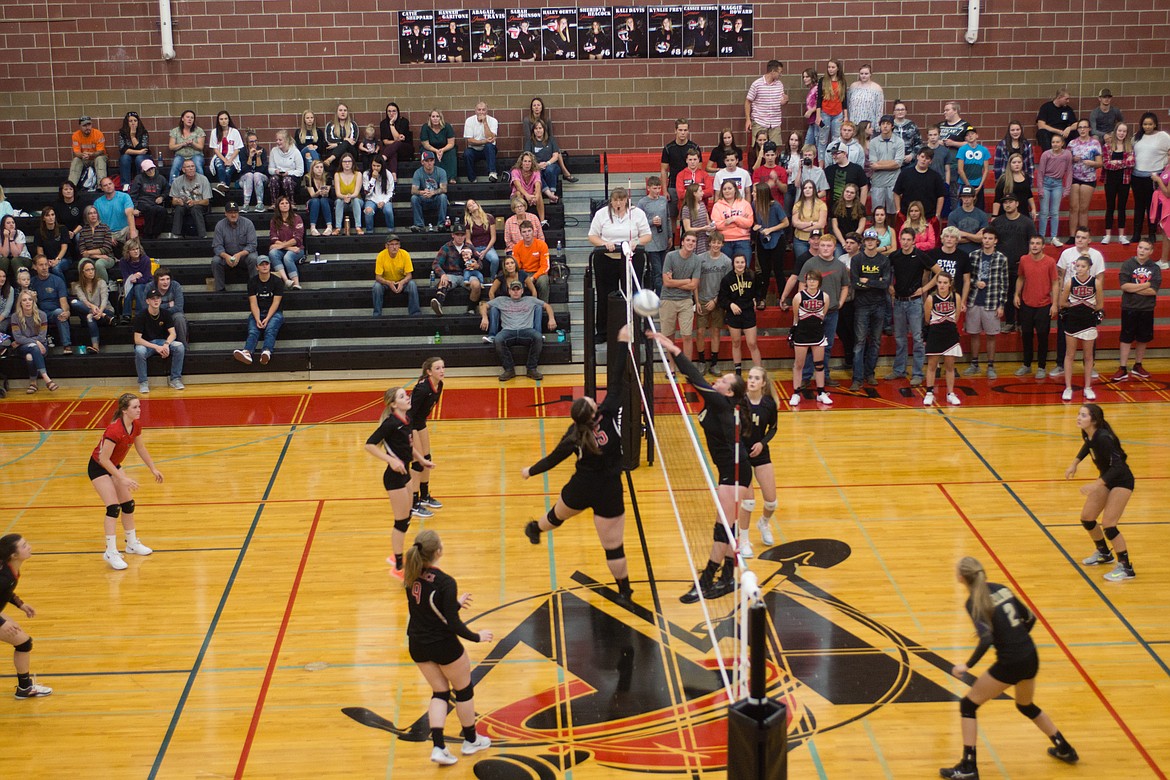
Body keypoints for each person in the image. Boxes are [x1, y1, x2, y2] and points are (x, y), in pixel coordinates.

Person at [939, 556, 1078, 780]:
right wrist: (1017, 640)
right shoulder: (1001, 588)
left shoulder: (974, 602)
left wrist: (966, 665)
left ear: (962, 578)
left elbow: (985, 640)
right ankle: (1064, 748)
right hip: (1030, 656)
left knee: (968, 705)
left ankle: (968, 767)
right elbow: (1030, 618)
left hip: (1011, 662)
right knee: (1025, 705)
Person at [521, 327, 634, 601]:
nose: (593, 399)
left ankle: (534, 528)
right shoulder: (608, 413)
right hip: (609, 490)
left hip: (581, 487)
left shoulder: (574, 435)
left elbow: (552, 460)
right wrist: (622, 343)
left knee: (555, 517)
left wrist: (530, 471)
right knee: (614, 548)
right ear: (594, 411)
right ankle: (625, 591)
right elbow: (618, 379)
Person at [647, 330, 752, 604]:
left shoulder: (721, 403)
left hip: (735, 474)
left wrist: (672, 347)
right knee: (726, 527)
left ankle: (706, 581)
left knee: (723, 529)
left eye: (724, 380)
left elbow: (694, 377)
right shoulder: (723, 404)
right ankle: (728, 578)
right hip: (732, 471)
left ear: (729, 391)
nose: (718, 380)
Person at [400, 529, 493, 766]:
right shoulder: (445, 582)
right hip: (443, 645)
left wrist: (453, 604)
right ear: (438, 551)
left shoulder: (411, 575)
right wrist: (476, 636)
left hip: (417, 644)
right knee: (463, 691)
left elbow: (428, 610)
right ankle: (471, 741)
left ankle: (439, 747)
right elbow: (452, 623)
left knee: (440, 692)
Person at [89, 393, 164, 570]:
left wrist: (153, 468)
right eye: (135, 407)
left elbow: (141, 447)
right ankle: (110, 551)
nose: (139, 410)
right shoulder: (114, 431)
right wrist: (122, 477)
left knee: (128, 504)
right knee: (113, 507)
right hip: (99, 467)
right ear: (124, 410)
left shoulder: (135, 425)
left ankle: (131, 543)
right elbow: (103, 459)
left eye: (139, 406)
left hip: (113, 465)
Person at [365, 386, 434, 576]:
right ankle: (398, 564)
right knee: (401, 521)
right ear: (394, 404)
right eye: (403, 396)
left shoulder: (408, 419)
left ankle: (397, 558)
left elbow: (409, 445)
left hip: (405, 475)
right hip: (393, 478)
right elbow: (369, 445)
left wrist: (421, 460)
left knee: (407, 517)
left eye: (407, 395)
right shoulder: (390, 424)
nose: (408, 397)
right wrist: (391, 460)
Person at [1066, 404, 1136, 581]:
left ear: (1094, 420)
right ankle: (1104, 553)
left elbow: (1119, 467)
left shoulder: (1104, 438)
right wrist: (1075, 463)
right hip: (1107, 479)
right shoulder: (1089, 433)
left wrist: (1097, 484)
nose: (1079, 417)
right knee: (1087, 518)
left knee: (1109, 525)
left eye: (1083, 415)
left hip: (1122, 481)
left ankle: (1126, 567)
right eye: (1079, 414)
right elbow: (1087, 446)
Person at [587, 188, 651, 341]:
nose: (618, 203)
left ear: (626, 201)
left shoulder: (637, 213)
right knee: (604, 296)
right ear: (611, 201)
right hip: (606, 258)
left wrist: (636, 242)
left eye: (621, 200)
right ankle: (603, 332)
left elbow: (647, 235)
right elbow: (592, 236)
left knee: (634, 294)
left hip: (631, 258)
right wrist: (604, 243)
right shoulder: (602, 213)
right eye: (615, 200)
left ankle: (635, 330)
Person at [0, 534, 53, 698]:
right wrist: (1, 622)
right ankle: (24, 688)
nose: (29, 546)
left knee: (23, 641)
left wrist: (20, 604)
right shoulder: (3, 577)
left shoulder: (10, 569)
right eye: (24, 546)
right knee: (23, 642)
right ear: (13, 555)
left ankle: (25, 688)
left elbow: (5, 592)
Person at [740, 366, 783, 559]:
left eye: (756, 378)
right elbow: (731, 430)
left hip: (761, 452)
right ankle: (744, 540)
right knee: (748, 501)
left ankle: (764, 523)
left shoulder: (769, 404)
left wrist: (761, 443)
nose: (752, 381)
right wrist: (742, 449)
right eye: (750, 377)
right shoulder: (739, 403)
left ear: (763, 383)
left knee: (772, 502)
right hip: (742, 454)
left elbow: (773, 429)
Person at [887, 227, 938, 385]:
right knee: (900, 339)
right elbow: (885, 273)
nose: (906, 242)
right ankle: (899, 370)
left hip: (914, 303)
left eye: (909, 239)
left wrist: (924, 288)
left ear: (914, 241)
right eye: (903, 239)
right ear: (900, 240)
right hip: (899, 302)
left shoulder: (920, 256)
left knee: (917, 338)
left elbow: (939, 273)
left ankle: (917, 373)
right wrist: (889, 285)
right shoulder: (894, 256)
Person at [961, 229, 1009, 380]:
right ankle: (974, 364)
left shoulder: (1002, 259)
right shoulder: (973, 256)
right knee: (973, 334)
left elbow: (1004, 284)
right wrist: (976, 283)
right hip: (974, 300)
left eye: (990, 238)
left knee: (991, 336)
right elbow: (967, 279)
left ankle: (990, 365)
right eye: (985, 238)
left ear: (995, 241)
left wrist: (1001, 304)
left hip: (992, 301)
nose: (987, 241)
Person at [486, 279, 555, 381]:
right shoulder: (501, 300)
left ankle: (531, 369)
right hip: (508, 330)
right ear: (509, 291)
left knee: (538, 337)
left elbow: (547, 306)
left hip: (526, 330)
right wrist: (484, 317)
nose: (515, 291)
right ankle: (509, 369)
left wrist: (551, 318)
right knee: (498, 340)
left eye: (518, 289)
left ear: (522, 291)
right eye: (513, 289)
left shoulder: (530, 299)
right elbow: (484, 306)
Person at [848, 229, 891, 390]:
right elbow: (854, 283)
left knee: (875, 341)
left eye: (873, 240)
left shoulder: (884, 260)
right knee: (859, 342)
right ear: (864, 242)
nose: (870, 242)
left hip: (879, 305)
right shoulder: (857, 259)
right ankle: (857, 378)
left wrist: (867, 281)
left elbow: (885, 284)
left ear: (877, 242)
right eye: (867, 240)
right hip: (862, 306)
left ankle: (870, 373)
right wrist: (875, 281)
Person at [1013, 235, 1059, 380]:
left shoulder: (1050, 262)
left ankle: (1041, 366)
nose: (1034, 246)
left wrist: (1055, 304)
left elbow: (1055, 283)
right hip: (1026, 304)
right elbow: (1020, 277)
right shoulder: (1024, 259)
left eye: (1037, 243)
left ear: (1043, 246)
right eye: (1032, 243)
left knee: (1042, 337)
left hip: (1044, 305)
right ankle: (1026, 365)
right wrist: (1016, 294)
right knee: (1026, 335)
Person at [1114, 240, 1161, 381]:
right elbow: (1124, 286)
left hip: (1146, 308)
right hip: (1129, 307)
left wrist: (1135, 289)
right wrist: (1145, 285)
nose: (1142, 251)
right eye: (1140, 247)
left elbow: (1153, 291)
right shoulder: (1128, 264)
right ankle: (1122, 368)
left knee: (1143, 338)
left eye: (1146, 249)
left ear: (1151, 251)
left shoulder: (1155, 268)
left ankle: (1138, 365)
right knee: (1126, 338)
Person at [1058, 256, 1103, 402]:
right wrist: (1076, 305)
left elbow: (1100, 305)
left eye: (1083, 266)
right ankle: (1068, 387)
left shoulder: (1096, 282)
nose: (1080, 269)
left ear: (1089, 267)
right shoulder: (1070, 281)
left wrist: (1087, 307)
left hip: (1088, 321)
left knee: (1088, 356)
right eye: (1077, 266)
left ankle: (1088, 387)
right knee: (1069, 355)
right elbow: (1062, 302)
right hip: (1072, 320)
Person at [788, 268, 834, 406]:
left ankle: (821, 392)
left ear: (819, 281)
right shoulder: (799, 297)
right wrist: (793, 333)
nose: (811, 282)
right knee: (799, 364)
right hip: (802, 334)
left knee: (819, 364)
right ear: (806, 281)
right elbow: (796, 317)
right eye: (809, 279)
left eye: (814, 279)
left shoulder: (824, 297)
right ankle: (796, 393)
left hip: (818, 334)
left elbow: (823, 315)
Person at [408, 358, 445, 519]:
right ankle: (413, 503)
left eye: (443, 367)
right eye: (437, 368)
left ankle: (424, 496)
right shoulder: (422, 389)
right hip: (411, 424)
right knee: (418, 463)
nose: (442, 371)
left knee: (427, 458)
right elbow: (410, 413)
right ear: (429, 372)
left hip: (420, 422)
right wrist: (408, 434)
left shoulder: (440, 385)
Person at [232, 256, 284, 366]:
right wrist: (257, 318)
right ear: (257, 267)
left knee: (270, 329)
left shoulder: (277, 281)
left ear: (270, 265)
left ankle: (267, 351)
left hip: (274, 313)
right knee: (253, 331)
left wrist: (267, 318)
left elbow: (276, 303)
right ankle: (247, 352)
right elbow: (253, 303)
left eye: (266, 264)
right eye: (262, 264)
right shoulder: (252, 282)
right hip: (258, 312)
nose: (264, 266)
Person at [133, 287, 186, 393]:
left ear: (161, 300)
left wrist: (166, 344)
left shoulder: (165, 313)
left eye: (158, 298)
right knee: (139, 351)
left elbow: (173, 333)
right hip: (147, 344)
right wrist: (156, 347)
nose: (156, 300)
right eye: (153, 298)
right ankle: (143, 382)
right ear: (147, 301)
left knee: (179, 346)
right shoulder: (141, 316)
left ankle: (175, 379)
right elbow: (137, 339)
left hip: (162, 342)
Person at [922, 271, 962, 406]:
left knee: (950, 366)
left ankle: (950, 393)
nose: (942, 285)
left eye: (945, 283)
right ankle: (929, 393)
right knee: (932, 366)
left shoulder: (955, 297)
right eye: (939, 283)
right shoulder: (930, 299)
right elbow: (927, 319)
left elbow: (956, 318)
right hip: (935, 334)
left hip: (950, 334)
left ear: (950, 284)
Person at [1131, 112, 1170, 248]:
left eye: (1150, 124)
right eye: (1145, 124)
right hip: (1137, 176)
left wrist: (1165, 164)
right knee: (1139, 206)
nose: (1147, 126)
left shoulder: (1163, 136)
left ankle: (1151, 234)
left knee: (1151, 206)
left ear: (1155, 124)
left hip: (1153, 177)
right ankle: (1136, 233)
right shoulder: (1136, 137)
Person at [695, 232, 731, 374]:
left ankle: (714, 363)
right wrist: (697, 301)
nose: (716, 245)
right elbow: (695, 281)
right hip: (702, 299)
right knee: (700, 332)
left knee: (716, 331)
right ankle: (701, 361)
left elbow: (726, 286)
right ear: (709, 243)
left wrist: (715, 301)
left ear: (722, 244)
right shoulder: (699, 259)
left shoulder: (726, 261)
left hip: (718, 300)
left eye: (719, 243)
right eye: (713, 242)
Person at [718, 253, 761, 373]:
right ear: (733, 264)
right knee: (736, 342)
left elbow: (758, 290)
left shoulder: (752, 275)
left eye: (742, 262)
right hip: (733, 313)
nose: (740, 265)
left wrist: (757, 300)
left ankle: (759, 370)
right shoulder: (727, 279)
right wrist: (730, 305)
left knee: (752, 343)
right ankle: (738, 371)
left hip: (748, 312)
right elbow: (722, 298)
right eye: (737, 262)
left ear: (745, 263)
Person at [11, 291, 59, 393]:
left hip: (41, 346)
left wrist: (27, 340)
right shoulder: (15, 317)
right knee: (33, 346)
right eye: (24, 300)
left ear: (33, 302)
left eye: (30, 300)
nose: (27, 302)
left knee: (30, 356)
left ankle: (33, 382)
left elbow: (42, 337)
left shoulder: (42, 315)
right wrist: (35, 342)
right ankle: (47, 379)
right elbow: (18, 337)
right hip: (24, 347)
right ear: (20, 303)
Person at [752, 180, 789, 308]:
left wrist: (771, 229)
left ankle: (782, 299)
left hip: (777, 239)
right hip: (763, 240)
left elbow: (786, 223)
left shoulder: (776, 206)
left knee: (778, 271)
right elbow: (755, 221)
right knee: (764, 271)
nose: (752, 193)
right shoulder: (754, 204)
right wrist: (756, 226)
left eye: (755, 192)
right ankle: (762, 298)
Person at [430, 232, 485, 316]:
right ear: (453, 235)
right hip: (451, 274)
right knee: (444, 282)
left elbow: (479, 261)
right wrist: (442, 274)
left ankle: (471, 309)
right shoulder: (446, 247)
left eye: (462, 235)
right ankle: (439, 303)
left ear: (465, 236)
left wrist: (477, 265)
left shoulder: (469, 247)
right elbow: (436, 263)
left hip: (468, 273)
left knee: (476, 285)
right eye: (457, 235)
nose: (460, 237)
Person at [524, 97, 578, 182]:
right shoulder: (527, 120)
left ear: (542, 107)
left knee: (556, 150)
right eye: (534, 105)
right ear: (531, 108)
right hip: (534, 143)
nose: (536, 107)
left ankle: (564, 171)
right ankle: (565, 173)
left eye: (538, 105)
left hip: (546, 142)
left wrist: (548, 145)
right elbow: (528, 137)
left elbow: (551, 135)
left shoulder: (547, 119)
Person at [1067, 120, 1103, 241]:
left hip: (1088, 178)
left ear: (1089, 129)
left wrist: (1092, 163)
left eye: (1084, 127)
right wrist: (1072, 159)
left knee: (1083, 208)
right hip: (1074, 177)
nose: (1082, 130)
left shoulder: (1095, 143)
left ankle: (1083, 236)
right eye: (1080, 127)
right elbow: (1066, 160)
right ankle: (1072, 236)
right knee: (1073, 207)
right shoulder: (1072, 143)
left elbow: (1099, 163)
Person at [636, 176, 671, 297]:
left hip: (663, 239)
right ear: (648, 188)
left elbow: (667, 218)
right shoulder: (642, 203)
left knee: (665, 271)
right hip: (651, 242)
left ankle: (664, 296)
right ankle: (660, 297)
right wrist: (651, 222)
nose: (657, 190)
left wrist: (670, 236)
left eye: (659, 188)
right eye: (655, 188)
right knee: (657, 272)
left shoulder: (663, 200)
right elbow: (638, 222)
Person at [211, 201, 258, 291]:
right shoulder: (220, 225)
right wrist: (226, 256)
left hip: (244, 256)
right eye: (230, 213)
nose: (233, 215)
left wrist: (239, 255)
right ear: (225, 213)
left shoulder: (248, 223)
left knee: (254, 258)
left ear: (238, 212)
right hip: (227, 256)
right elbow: (217, 246)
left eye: (235, 212)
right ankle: (220, 289)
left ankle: (254, 288)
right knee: (216, 261)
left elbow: (252, 245)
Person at [1036, 133, 1073, 246]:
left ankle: (1053, 237)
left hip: (1057, 184)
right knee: (1044, 212)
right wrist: (1040, 188)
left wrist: (1067, 188)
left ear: (1062, 143)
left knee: (1055, 212)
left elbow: (1069, 171)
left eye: (1057, 142)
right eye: (1053, 142)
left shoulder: (1067, 154)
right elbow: (1041, 172)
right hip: (1046, 183)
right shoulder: (1046, 154)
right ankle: (1041, 237)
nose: (1055, 144)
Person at [30, 254, 71, 353]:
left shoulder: (57, 280)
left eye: (46, 264)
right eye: (41, 265)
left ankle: (67, 345)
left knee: (60, 312)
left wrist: (66, 312)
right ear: (35, 267)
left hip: (53, 312)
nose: (44, 267)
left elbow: (63, 301)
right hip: (38, 313)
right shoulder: (32, 282)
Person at [1100, 123, 1134, 244]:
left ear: (1126, 133)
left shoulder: (1129, 147)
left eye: (1124, 131)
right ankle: (1107, 234)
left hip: (1124, 181)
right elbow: (1106, 164)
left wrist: (1116, 162)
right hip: (1110, 181)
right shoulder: (1107, 146)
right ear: (1115, 131)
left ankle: (1121, 235)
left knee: (1122, 207)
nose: (1121, 133)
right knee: (1110, 207)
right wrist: (1124, 162)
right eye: (1120, 131)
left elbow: (1132, 163)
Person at [70, 259, 115, 352]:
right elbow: (83, 300)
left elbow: (104, 299)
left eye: (92, 269)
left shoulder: (101, 282)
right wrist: (92, 307)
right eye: (88, 270)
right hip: (97, 314)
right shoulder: (78, 286)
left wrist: (101, 312)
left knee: (90, 316)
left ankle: (95, 346)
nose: (91, 272)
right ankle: (98, 315)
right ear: (82, 272)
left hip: (106, 311)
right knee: (74, 302)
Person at [372, 234, 420, 316]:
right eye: (392, 244)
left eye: (396, 244)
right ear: (386, 246)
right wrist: (388, 283)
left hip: (402, 281)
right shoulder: (381, 255)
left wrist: (402, 282)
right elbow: (378, 277)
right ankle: (377, 314)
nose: (394, 247)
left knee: (412, 284)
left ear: (399, 246)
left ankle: (415, 314)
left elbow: (409, 275)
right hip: (386, 283)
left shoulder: (405, 254)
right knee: (377, 286)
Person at [894, 147, 947, 220]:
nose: (924, 160)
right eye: (922, 157)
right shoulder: (905, 173)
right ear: (917, 157)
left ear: (931, 161)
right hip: (907, 216)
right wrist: (898, 210)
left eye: (927, 158)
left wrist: (937, 214)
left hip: (928, 217)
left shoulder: (936, 176)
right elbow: (896, 192)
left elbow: (941, 196)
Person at [744, 60, 788, 145]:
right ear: (773, 71)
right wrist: (748, 120)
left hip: (775, 123)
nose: (781, 75)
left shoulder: (780, 84)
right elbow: (748, 102)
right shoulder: (757, 84)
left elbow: (781, 102)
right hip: (760, 121)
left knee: (775, 149)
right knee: (758, 148)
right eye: (779, 72)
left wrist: (785, 101)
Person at [869, 115, 906, 212]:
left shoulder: (899, 142)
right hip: (878, 182)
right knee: (877, 212)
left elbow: (898, 163)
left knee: (893, 212)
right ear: (880, 126)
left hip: (893, 182)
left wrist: (880, 164)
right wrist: (891, 163)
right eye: (883, 124)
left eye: (888, 124)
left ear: (892, 126)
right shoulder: (873, 142)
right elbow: (873, 165)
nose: (885, 126)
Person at [169, 158, 212, 238]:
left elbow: (206, 201)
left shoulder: (203, 179)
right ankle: (175, 235)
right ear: (183, 170)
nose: (191, 168)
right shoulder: (177, 181)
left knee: (195, 209)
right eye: (188, 167)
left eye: (193, 166)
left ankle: (203, 235)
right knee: (179, 208)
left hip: (199, 204)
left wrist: (195, 202)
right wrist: (178, 201)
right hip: (184, 204)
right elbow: (173, 201)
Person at [268, 196, 304, 289]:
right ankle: (286, 280)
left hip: (298, 249)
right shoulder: (274, 221)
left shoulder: (297, 218)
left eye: (287, 203)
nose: (285, 205)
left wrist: (282, 246)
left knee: (288, 257)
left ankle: (296, 283)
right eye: (282, 203)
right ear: (278, 206)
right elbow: (273, 238)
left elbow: (297, 238)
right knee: (272, 253)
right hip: (288, 248)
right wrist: (288, 247)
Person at [147, 266, 187, 345]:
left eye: (168, 279)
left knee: (179, 318)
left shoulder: (175, 286)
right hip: (155, 315)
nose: (166, 282)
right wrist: (168, 305)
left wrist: (158, 307)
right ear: (156, 281)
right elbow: (146, 307)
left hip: (172, 315)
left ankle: (183, 346)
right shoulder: (150, 286)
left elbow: (179, 307)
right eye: (162, 279)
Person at [511, 219, 550, 301]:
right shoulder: (517, 247)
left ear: (533, 232)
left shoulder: (542, 245)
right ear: (521, 233)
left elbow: (545, 266)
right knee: (515, 281)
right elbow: (516, 266)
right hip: (524, 272)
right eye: (524, 232)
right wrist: (524, 277)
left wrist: (534, 277)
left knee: (543, 281)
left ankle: (543, 305)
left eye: (529, 231)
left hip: (539, 272)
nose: (527, 234)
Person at [410, 151, 450, 231]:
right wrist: (421, 192)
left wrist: (433, 192)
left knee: (443, 197)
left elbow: (444, 189)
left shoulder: (441, 172)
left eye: (431, 160)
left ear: (434, 161)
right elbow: (413, 190)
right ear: (422, 162)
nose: (429, 163)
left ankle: (441, 225)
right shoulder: (418, 173)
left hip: (436, 198)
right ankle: (419, 225)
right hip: (424, 198)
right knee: (414, 198)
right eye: (427, 161)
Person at [128, 159, 168, 239]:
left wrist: (162, 197)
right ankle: (148, 233)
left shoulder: (161, 178)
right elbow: (133, 194)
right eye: (148, 170)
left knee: (162, 211)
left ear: (155, 167)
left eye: (152, 168)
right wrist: (135, 207)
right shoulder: (139, 178)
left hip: (155, 202)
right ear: (144, 171)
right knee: (151, 209)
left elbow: (167, 190)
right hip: (142, 202)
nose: (150, 171)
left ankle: (156, 233)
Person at [118, 238, 153, 324]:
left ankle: (139, 315)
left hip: (145, 283)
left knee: (138, 288)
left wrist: (135, 279)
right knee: (129, 288)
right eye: (133, 250)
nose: (136, 251)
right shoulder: (123, 261)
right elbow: (126, 277)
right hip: (130, 282)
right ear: (128, 252)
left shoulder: (146, 260)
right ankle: (126, 315)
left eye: (137, 249)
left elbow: (145, 278)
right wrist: (135, 276)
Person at [207, 110, 243, 194]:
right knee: (220, 166)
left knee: (228, 170)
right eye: (221, 119)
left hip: (232, 157)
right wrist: (225, 160)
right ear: (218, 121)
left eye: (225, 118)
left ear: (229, 120)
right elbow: (215, 149)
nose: (224, 121)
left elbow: (237, 149)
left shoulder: (234, 132)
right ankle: (223, 184)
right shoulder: (214, 132)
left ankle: (222, 189)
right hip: (220, 156)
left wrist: (230, 160)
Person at [94, 176, 138, 244]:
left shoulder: (125, 197)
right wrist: (107, 235)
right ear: (102, 188)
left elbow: (130, 214)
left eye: (110, 184)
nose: (108, 186)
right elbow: (96, 222)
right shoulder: (97, 202)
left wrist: (132, 231)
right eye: (105, 185)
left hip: (123, 231)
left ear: (113, 184)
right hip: (107, 233)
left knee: (133, 231)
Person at [463, 102, 500, 183]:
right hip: (474, 149)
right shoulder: (469, 121)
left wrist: (485, 123)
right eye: (479, 110)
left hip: (488, 150)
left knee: (489, 146)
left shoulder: (493, 121)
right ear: (475, 111)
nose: (481, 112)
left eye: (483, 110)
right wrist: (484, 141)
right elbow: (469, 140)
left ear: (487, 111)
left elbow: (490, 137)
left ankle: (492, 173)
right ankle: (472, 179)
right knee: (467, 153)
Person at [69, 115, 108, 188]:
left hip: (97, 157)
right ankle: (71, 187)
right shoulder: (75, 135)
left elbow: (101, 151)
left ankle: (102, 185)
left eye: (89, 124)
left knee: (100, 159)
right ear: (80, 126)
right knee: (76, 160)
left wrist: (91, 154)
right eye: (84, 125)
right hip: (84, 158)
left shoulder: (98, 134)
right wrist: (83, 155)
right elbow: (76, 153)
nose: (87, 127)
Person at [420, 109, 458, 183]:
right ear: (430, 118)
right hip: (430, 148)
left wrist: (442, 150)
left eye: (437, 116)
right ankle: (432, 178)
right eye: (433, 116)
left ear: (441, 118)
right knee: (427, 153)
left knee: (452, 152)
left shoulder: (447, 126)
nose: (435, 118)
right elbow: (425, 144)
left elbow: (451, 143)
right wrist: (436, 151)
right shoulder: (425, 127)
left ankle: (451, 177)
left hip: (445, 148)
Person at [268, 130, 305, 206]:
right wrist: (276, 171)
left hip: (292, 177)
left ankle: (291, 203)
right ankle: (274, 203)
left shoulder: (295, 152)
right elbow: (270, 169)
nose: (278, 142)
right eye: (277, 140)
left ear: (287, 140)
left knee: (287, 180)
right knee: (273, 179)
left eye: (280, 140)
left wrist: (289, 173)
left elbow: (300, 171)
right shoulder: (274, 151)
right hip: (278, 175)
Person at [117, 111, 153, 186]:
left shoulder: (143, 132)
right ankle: (125, 185)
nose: (133, 123)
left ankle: (141, 183)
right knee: (124, 158)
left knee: (139, 159)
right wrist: (139, 152)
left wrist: (133, 137)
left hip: (143, 156)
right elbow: (123, 150)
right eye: (130, 121)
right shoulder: (122, 133)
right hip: (130, 156)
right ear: (127, 123)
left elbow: (144, 149)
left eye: (135, 121)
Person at [168, 109, 206, 180]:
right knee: (175, 164)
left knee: (197, 165)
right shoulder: (175, 131)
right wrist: (183, 144)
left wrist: (192, 143)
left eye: (192, 118)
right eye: (187, 117)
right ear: (182, 119)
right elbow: (171, 147)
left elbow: (201, 147)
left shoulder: (199, 131)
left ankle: (202, 185)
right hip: (180, 156)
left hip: (196, 155)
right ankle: (172, 186)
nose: (190, 119)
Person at [510, 151, 546, 226]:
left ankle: (542, 221)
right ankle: (522, 219)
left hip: (531, 194)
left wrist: (536, 196)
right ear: (521, 162)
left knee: (539, 195)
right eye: (525, 161)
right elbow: (518, 186)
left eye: (529, 161)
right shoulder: (515, 171)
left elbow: (538, 185)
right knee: (519, 193)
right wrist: (527, 195)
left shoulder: (536, 171)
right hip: (518, 194)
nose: (527, 163)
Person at [362, 156, 395, 234]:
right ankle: (369, 232)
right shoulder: (366, 174)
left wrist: (383, 201)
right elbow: (367, 192)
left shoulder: (388, 174)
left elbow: (391, 191)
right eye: (374, 165)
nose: (375, 168)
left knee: (388, 210)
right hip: (371, 199)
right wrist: (373, 178)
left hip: (384, 199)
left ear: (382, 166)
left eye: (378, 166)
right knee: (368, 211)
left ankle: (391, 231)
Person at [332, 152, 363, 234]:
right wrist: (344, 197)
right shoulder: (337, 174)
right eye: (344, 162)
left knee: (355, 200)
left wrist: (349, 196)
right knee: (338, 201)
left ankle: (358, 227)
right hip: (342, 200)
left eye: (349, 161)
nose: (347, 164)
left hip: (356, 200)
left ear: (352, 163)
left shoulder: (358, 174)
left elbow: (356, 193)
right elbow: (338, 193)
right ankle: (338, 228)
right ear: (341, 163)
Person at [237, 130, 268, 212]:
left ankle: (260, 203)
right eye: (251, 141)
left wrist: (258, 157)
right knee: (250, 175)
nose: (254, 143)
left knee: (256, 174)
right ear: (247, 143)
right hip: (245, 179)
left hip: (260, 179)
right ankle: (246, 204)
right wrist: (250, 157)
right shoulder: (243, 152)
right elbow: (244, 170)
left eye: (255, 141)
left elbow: (262, 170)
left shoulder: (262, 150)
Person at [322, 103, 358, 172]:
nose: (343, 112)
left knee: (347, 143)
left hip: (350, 152)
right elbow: (329, 140)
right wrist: (344, 140)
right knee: (345, 143)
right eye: (340, 110)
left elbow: (353, 141)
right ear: (337, 112)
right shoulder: (330, 125)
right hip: (335, 153)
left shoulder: (353, 124)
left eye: (345, 110)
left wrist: (337, 144)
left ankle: (330, 159)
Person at [846, 64, 884, 129]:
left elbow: (879, 109)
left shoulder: (877, 88)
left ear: (870, 74)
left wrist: (877, 125)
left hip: (869, 123)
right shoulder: (853, 86)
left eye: (866, 74)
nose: (863, 76)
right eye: (861, 73)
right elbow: (848, 103)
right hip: (854, 122)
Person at [379, 102, 413, 173]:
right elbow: (385, 142)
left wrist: (391, 124)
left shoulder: (404, 121)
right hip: (391, 150)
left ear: (398, 112)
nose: (391, 113)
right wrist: (396, 141)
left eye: (394, 111)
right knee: (393, 152)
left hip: (404, 148)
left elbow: (398, 139)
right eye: (389, 111)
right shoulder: (383, 123)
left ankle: (383, 158)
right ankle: (394, 177)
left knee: (396, 144)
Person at [302, 159, 333, 236]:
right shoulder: (308, 177)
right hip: (313, 201)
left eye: (321, 167)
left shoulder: (327, 176)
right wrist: (318, 192)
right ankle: (313, 227)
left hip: (326, 200)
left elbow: (326, 194)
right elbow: (312, 195)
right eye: (317, 167)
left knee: (323, 200)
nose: (319, 169)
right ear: (312, 168)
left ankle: (329, 226)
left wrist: (324, 193)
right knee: (315, 200)